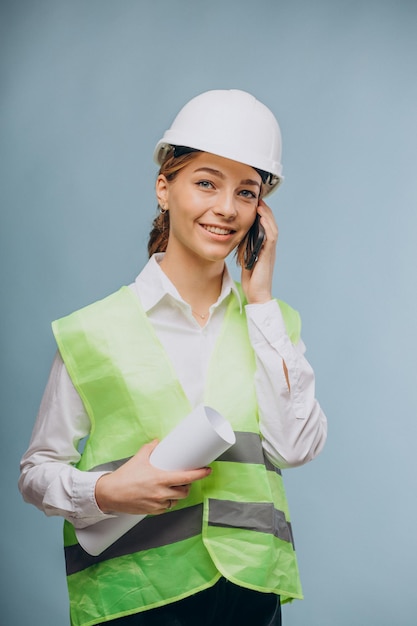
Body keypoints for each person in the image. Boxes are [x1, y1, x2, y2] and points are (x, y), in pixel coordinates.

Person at [19, 89, 327, 626]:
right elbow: (37, 471)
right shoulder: (92, 331)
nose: (227, 209)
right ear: (165, 187)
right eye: (206, 182)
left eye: (247, 192)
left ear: (262, 212)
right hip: (134, 597)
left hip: (249, 597)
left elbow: (295, 448)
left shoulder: (272, 326)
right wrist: (105, 491)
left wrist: (260, 301)